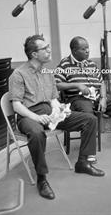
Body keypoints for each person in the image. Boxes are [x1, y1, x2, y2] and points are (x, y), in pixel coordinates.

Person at [8, 34, 105, 200]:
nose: (49, 50)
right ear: (34, 54)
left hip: (48, 112)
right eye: (45, 48)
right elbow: (17, 106)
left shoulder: (48, 72)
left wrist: (59, 109)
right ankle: (42, 178)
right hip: (28, 115)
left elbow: (53, 98)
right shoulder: (18, 74)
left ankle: (82, 162)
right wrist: (37, 118)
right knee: (37, 133)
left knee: (90, 119)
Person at [55, 36, 111, 151]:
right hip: (78, 99)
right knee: (88, 112)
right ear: (74, 51)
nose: (87, 51)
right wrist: (77, 85)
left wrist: (104, 98)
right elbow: (57, 84)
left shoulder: (91, 64)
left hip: (96, 98)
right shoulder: (65, 64)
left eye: (88, 48)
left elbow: (102, 84)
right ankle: (88, 150)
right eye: (83, 49)